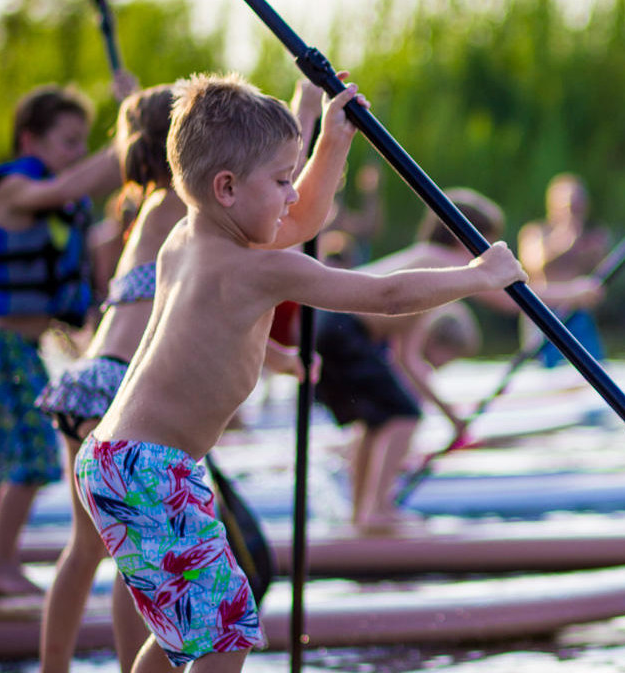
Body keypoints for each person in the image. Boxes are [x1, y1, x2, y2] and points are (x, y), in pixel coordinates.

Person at [74, 71, 527, 671]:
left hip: (115, 460)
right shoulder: (256, 269)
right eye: (282, 180)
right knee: (225, 630)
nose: (292, 194)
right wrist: (477, 276)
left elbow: (302, 219)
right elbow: (385, 295)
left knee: (195, 625)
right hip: (150, 469)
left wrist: (327, 134)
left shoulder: (189, 236)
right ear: (227, 188)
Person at [32, 81, 322, 673]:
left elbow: (209, 326)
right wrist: (307, 116)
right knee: (144, 566)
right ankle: (121, 662)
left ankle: (58, 667)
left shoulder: (157, 214)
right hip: (120, 396)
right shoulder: (187, 216)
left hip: (93, 384)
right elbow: (284, 205)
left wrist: (306, 109)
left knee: (99, 549)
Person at [314, 188, 602, 531]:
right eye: (485, 243)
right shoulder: (438, 257)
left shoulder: (427, 274)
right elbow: (506, 298)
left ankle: (362, 515)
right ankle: (376, 512)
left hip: (332, 325)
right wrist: (574, 293)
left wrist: (453, 418)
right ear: (462, 235)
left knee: (377, 419)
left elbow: (407, 360)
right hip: (342, 327)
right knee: (401, 415)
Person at [0, 81, 128, 597]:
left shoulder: (53, 199)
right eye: (68, 141)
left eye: (83, 142)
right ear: (30, 140)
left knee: (2, 462)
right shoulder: (13, 187)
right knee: (31, 455)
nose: (77, 154)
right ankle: (0, 564)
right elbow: (68, 188)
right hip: (1, 344)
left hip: (13, 344)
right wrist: (129, 132)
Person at [517, 172, 610, 366]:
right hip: (544, 312)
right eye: (569, 207)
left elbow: (599, 282)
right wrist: (565, 241)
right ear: (554, 206)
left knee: (594, 368)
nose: (574, 213)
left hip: (578, 313)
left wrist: (595, 252)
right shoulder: (535, 233)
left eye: (578, 207)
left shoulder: (591, 236)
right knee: (544, 371)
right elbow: (533, 264)